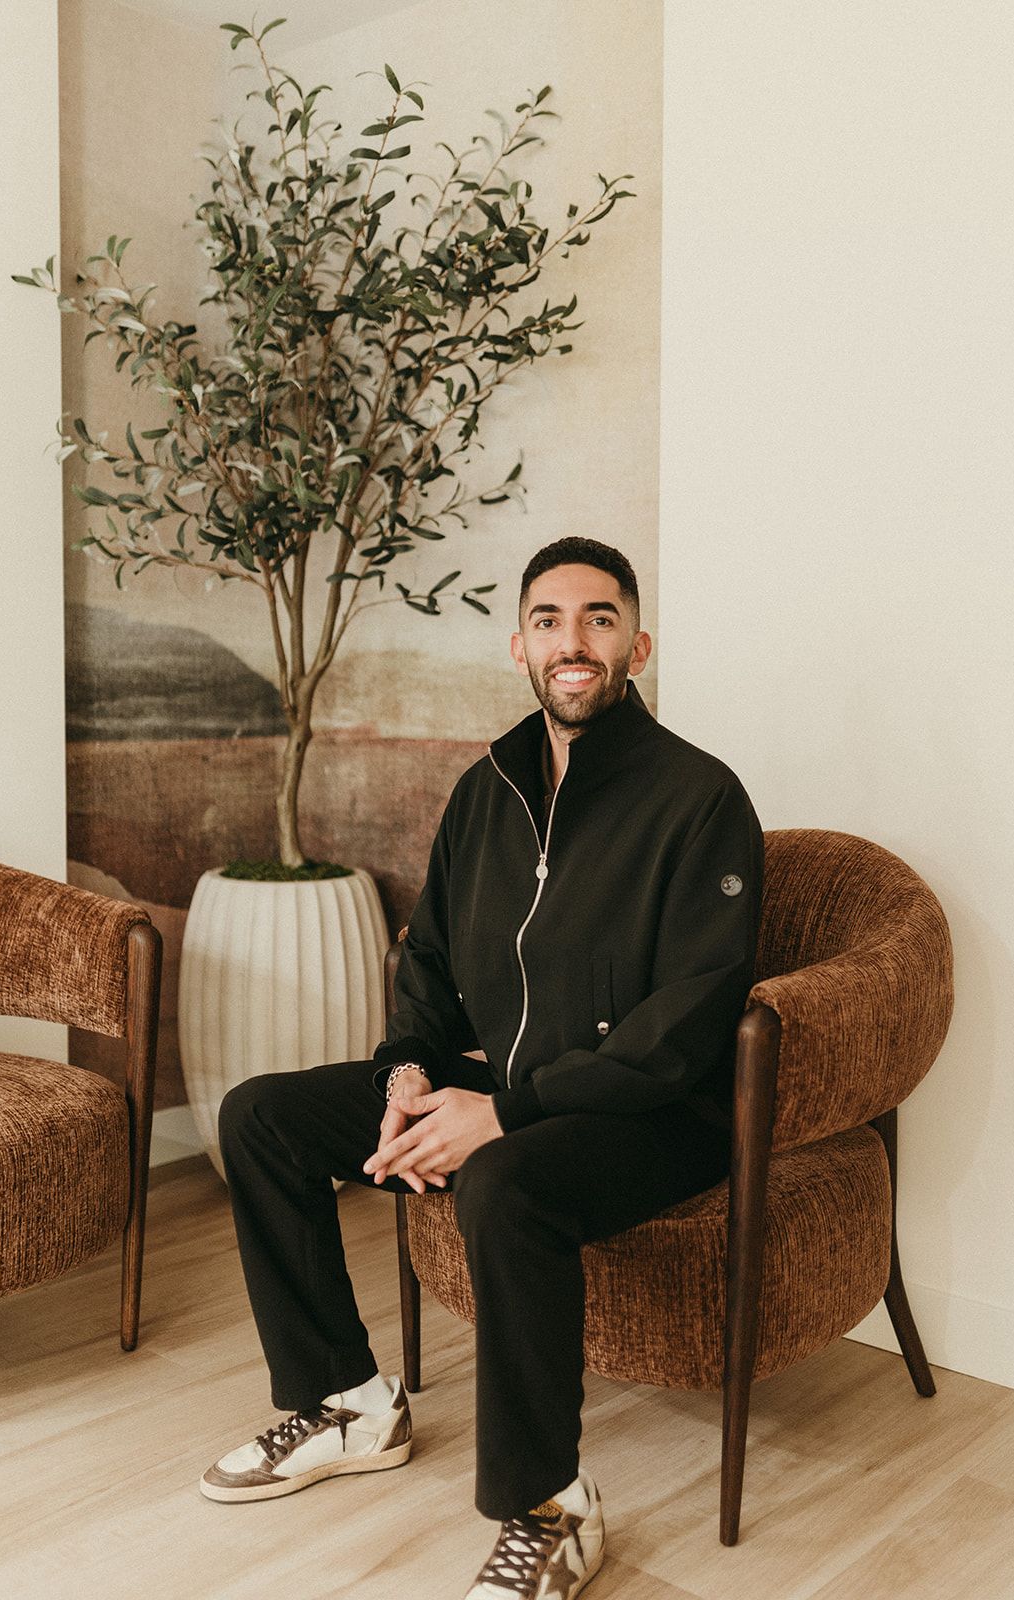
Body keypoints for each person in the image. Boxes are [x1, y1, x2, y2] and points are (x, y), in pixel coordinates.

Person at [202, 537, 763, 1600]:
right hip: (507, 1089)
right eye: (549, 620)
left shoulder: (698, 798)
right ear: (519, 647)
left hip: (653, 1119)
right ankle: (346, 1402)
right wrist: (408, 1077)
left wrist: (501, 1113)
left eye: (598, 619)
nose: (572, 640)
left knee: (502, 1180)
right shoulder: (485, 790)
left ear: (637, 646)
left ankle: (548, 1508)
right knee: (260, 1115)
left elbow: (685, 1028)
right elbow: (428, 961)